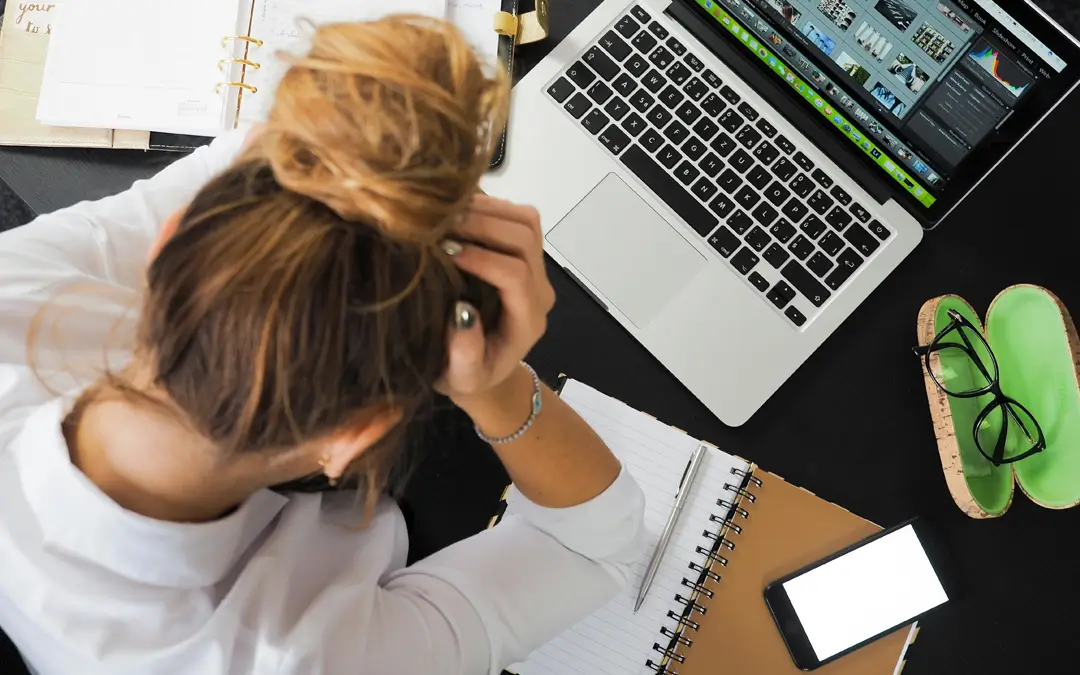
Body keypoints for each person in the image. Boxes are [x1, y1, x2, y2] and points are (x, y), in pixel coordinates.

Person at [0, 17, 645, 675]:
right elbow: (593, 546)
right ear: (354, 436)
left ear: (165, 244)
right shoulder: (304, 658)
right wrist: (498, 385)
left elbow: (250, 154)